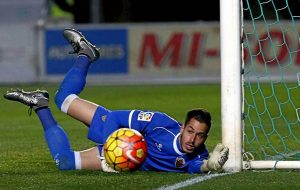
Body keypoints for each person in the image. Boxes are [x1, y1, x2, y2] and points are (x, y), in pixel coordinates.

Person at [3, 28, 229, 173]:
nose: (193, 139)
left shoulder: (197, 155)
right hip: (119, 135)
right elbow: (116, 117)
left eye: (200, 135)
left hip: (128, 157)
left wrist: (210, 165)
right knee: (63, 98)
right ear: (182, 126)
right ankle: (86, 54)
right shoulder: (160, 124)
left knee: (65, 162)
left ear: (205, 138)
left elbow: (197, 166)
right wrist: (115, 147)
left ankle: (40, 104)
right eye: (190, 130)